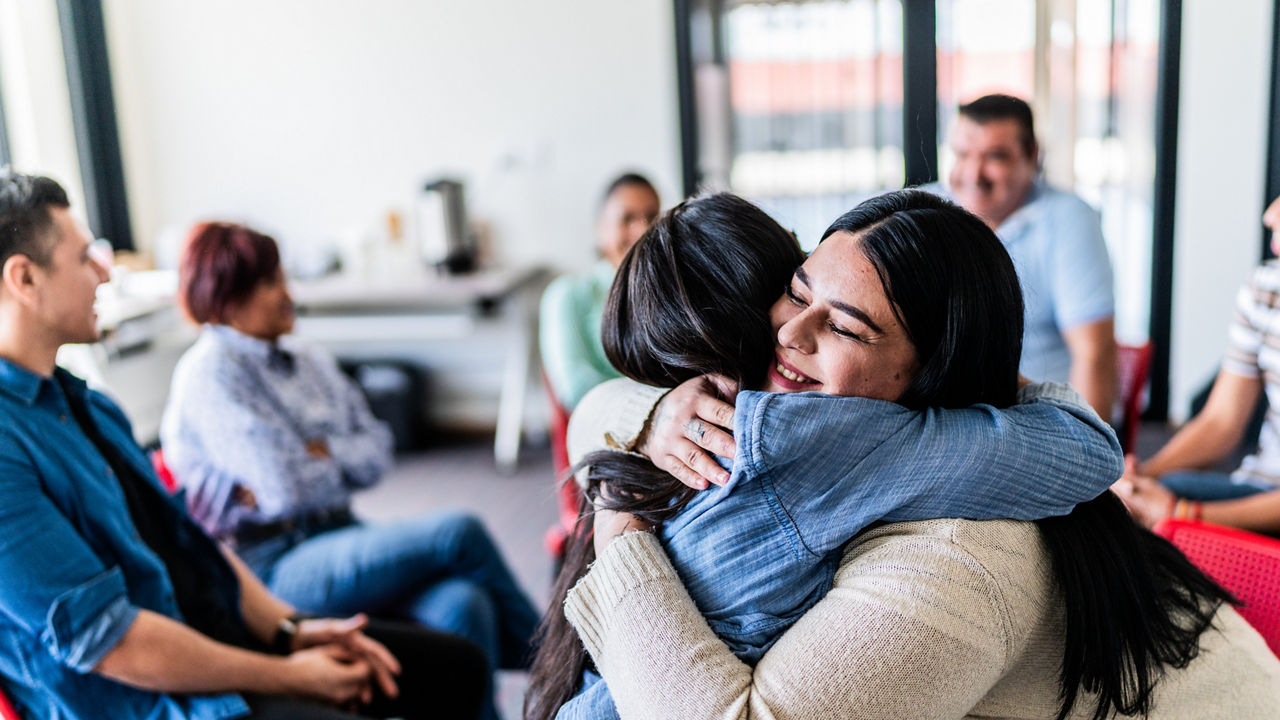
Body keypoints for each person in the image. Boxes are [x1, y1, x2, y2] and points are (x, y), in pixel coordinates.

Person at [557, 191, 1280, 719]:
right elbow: (597, 409)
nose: (790, 335)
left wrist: (621, 522)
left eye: (845, 328)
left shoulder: (954, 557)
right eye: (797, 290)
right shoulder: (851, 442)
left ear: (933, 376)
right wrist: (648, 418)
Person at [0, 168, 490, 720]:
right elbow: (111, 643)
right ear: (24, 279)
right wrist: (289, 674)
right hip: (158, 702)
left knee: (458, 666)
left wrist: (293, 631)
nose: (103, 273)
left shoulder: (84, 402)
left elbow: (192, 544)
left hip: (218, 636)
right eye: (85, 258)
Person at [159, 222, 540, 720]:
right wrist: (325, 459)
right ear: (228, 299)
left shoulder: (307, 358)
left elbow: (380, 449)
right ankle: (562, 664)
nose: (288, 294)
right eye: (271, 282)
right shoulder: (209, 373)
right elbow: (285, 487)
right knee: (457, 532)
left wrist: (318, 455)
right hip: (271, 566)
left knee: (464, 604)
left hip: (342, 534)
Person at [927, 94, 1117, 418]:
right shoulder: (921, 210)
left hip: (1033, 418)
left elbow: (1094, 355)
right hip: (940, 412)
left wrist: (1086, 450)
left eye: (995, 157)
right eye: (961, 154)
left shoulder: (1069, 218)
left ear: (1032, 155)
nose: (973, 174)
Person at [1114, 194, 1280, 534]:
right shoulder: (1266, 288)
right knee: (1117, 504)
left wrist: (1183, 515)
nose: (1270, 215)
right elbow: (1221, 423)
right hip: (1259, 487)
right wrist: (1142, 476)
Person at [539, 173, 660, 411]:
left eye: (652, 217)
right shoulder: (568, 294)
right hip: (606, 424)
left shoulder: (673, 294)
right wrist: (662, 405)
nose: (642, 231)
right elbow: (575, 389)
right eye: (627, 219)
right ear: (601, 229)